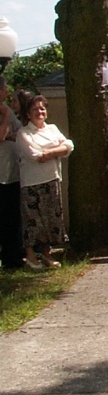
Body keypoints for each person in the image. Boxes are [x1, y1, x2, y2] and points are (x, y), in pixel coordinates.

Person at [15, 93, 74, 270]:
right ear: (28, 113)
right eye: (35, 109)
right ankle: (32, 256)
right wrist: (57, 150)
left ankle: (47, 254)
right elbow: (35, 156)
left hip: (52, 179)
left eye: (42, 108)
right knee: (33, 221)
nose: (40, 112)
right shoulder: (23, 133)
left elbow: (69, 145)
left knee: (51, 219)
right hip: (32, 183)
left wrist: (48, 152)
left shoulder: (53, 129)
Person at [0, 78, 24, 270]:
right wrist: (6, 117)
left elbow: (18, 134)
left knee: (13, 217)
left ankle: (13, 254)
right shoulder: (5, 112)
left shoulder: (5, 108)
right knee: (5, 216)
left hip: (12, 172)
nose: (6, 93)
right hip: (1, 174)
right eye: (4, 89)